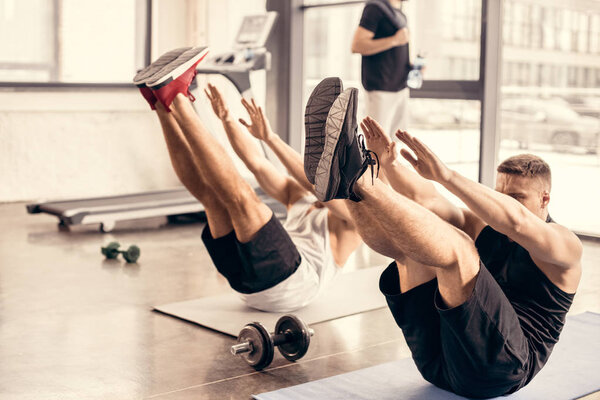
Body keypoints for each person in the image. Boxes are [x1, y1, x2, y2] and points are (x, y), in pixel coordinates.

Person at [304, 79, 583, 398]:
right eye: (499, 194)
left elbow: (517, 222)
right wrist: (390, 165)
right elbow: (429, 202)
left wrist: (447, 175)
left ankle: (358, 178)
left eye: (516, 197)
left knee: (461, 251)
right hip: (437, 360)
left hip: (500, 371)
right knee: (417, 248)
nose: (503, 202)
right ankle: (349, 186)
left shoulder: (564, 247)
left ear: (545, 199)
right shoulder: (486, 224)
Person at [132, 47, 362, 312]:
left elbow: (318, 184)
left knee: (242, 198)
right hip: (250, 281)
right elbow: (257, 164)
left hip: (293, 284)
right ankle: (162, 103)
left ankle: (176, 96)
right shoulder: (297, 197)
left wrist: (273, 139)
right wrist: (228, 120)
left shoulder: (353, 219)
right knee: (213, 199)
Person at [351, 0, 412, 138]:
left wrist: (414, 67)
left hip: (401, 87)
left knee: (398, 143)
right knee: (378, 145)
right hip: (381, 89)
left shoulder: (400, 14)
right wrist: (394, 40)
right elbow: (357, 45)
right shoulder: (374, 8)